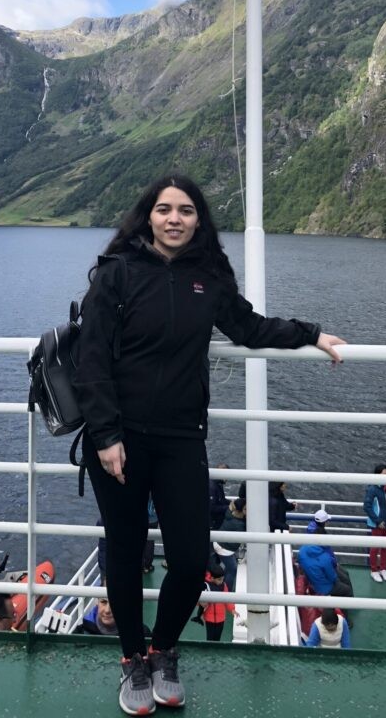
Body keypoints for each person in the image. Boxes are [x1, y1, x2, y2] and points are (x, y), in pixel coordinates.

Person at [72, 174, 346, 716]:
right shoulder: (117, 274)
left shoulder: (206, 276)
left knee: (193, 553)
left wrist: (311, 333)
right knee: (124, 555)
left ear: (199, 220)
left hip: (180, 439)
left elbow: (249, 327)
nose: (175, 219)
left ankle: (164, 648)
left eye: (186, 211)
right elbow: (92, 359)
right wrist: (105, 436)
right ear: (148, 215)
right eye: (165, 209)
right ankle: (132, 660)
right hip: (119, 442)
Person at [297, 524, 354, 624]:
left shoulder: (302, 550)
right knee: (346, 590)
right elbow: (332, 577)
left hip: (311, 582)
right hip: (323, 588)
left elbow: (301, 564)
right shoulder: (324, 557)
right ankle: (346, 620)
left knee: (341, 582)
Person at [212, 487, 247, 592]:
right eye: (246, 509)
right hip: (225, 549)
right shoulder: (240, 525)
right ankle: (226, 592)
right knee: (232, 570)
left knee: (223, 565)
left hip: (218, 542)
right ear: (240, 511)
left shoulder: (229, 514)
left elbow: (230, 507)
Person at [363, 465, 386, 583]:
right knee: (375, 548)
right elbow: (367, 506)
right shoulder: (373, 489)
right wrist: (377, 520)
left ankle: (383, 569)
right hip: (378, 523)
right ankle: (374, 570)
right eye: (384, 474)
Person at [194, 559, 235, 642]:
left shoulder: (223, 586)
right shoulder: (204, 586)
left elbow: (227, 599)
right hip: (209, 618)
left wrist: (232, 609)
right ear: (212, 578)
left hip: (221, 618)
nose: (222, 581)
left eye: (223, 579)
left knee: (217, 638)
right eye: (219, 579)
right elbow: (197, 600)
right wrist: (199, 603)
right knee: (210, 638)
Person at [208, 464, 229, 530]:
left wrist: (233, 503)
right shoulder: (212, 487)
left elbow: (222, 500)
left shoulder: (218, 484)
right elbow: (212, 508)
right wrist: (229, 507)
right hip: (213, 520)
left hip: (217, 517)